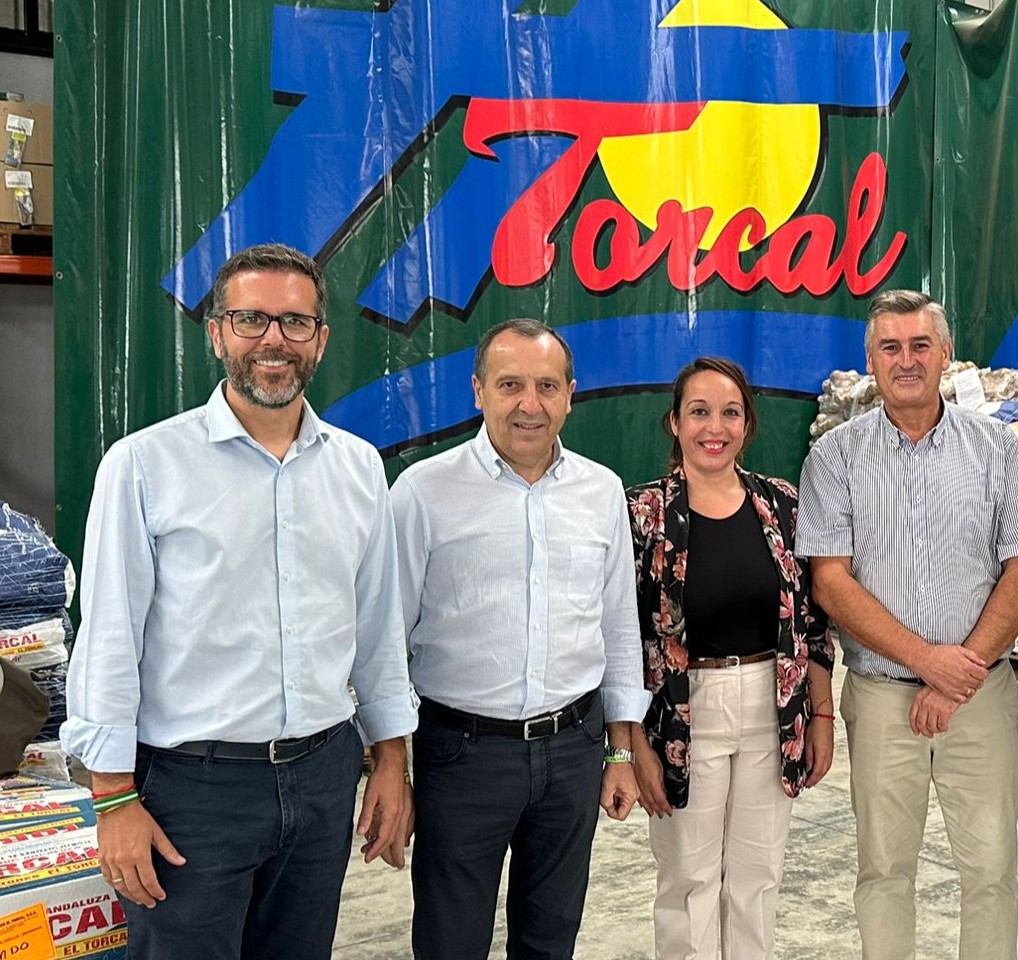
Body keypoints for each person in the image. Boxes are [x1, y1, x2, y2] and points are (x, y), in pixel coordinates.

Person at [63, 243, 417, 960]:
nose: (273, 341)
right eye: (251, 319)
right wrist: (112, 797)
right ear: (217, 332)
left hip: (323, 776)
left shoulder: (356, 467)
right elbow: (108, 638)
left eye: (294, 322)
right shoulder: (144, 466)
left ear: (320, 339)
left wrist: (390, 760)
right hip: (193, 791)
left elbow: (377, 631)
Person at [797, 290, 1018, 960]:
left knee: (992, 870)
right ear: (871, 360)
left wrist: (955, 674)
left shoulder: (997, 450)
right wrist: (927, 662)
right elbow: (830, 582)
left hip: (979, 695)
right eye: (891, 347)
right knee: (884, 870)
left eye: (920, 345)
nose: (906, 360)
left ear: (945, 355)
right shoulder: (835, 458)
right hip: (884, 700)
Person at [390, 318, 645, 960]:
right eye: (510, 385)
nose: (529, 404)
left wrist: (619, 752)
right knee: (452, 941)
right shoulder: (423, 491)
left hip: (574, 751)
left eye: (546, 386)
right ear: (478, 390)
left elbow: (618, 624)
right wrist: (389, 764)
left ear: (569, 394)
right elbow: (383, 638)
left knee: (551, 938)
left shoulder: (601, 490)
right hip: (461, 756)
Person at [621, 357, 835, 960]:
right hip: (685, 715)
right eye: (699, 412)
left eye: (730, 412)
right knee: (690, 883)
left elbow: (812, 625)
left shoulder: (783, 507)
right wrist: (632, 742)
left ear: (747, 425)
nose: (714, 426)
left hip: (774, 708)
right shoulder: (645, 515)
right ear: (674, 423)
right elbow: (621, 637)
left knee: (757, 878)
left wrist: (821, 716)